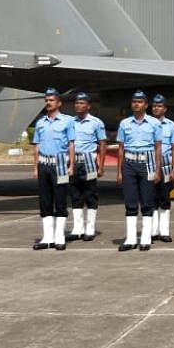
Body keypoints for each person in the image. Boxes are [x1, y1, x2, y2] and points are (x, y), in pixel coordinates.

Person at [115, 91, 163, 252]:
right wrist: (119, 171)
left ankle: (146, 238)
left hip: (147, 163)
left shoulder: (154, 123)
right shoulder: (124, 124)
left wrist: (157, 170)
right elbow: (121, 148)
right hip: (129, 163)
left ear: (146, 105)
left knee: (147, 201)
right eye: (134, 101)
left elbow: (158, 148)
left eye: (140, 102)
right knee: (130, 201)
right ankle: (130, 238)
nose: (136, 104)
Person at [31, 88, 76, 251]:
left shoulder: (68, 121)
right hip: (44, 164)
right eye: (46, 100)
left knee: (60, 200)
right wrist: (35, 167)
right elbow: (36, 146)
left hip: (61, 165)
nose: (47, 103)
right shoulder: (40, 122)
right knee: (45, 201)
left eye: (51, 100)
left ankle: (59, 237)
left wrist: (71, 165)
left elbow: (71, 144)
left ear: (59, 103)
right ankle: (47, 237)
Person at [66, 92, 106, 242]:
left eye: (82, 103)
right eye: (77, 103)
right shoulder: (70, 122)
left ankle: (90, 228)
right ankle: (77, 229)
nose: (78, 105)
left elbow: (102, 143)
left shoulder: (96, 122)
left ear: (88, 106)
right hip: (73, 162)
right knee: (75, 195)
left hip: (89, 161)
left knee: (90, 195)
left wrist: (101, 166)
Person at [149, 93, 174, 243]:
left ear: (165, 109)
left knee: (164, 197)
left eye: (160, 106)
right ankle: (153, 231)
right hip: (149, 164)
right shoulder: (147, 123)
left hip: (165, 165)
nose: (156, 108)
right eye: (154, 106)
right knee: (150, 198)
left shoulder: (171, 125)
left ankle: (164, 231)